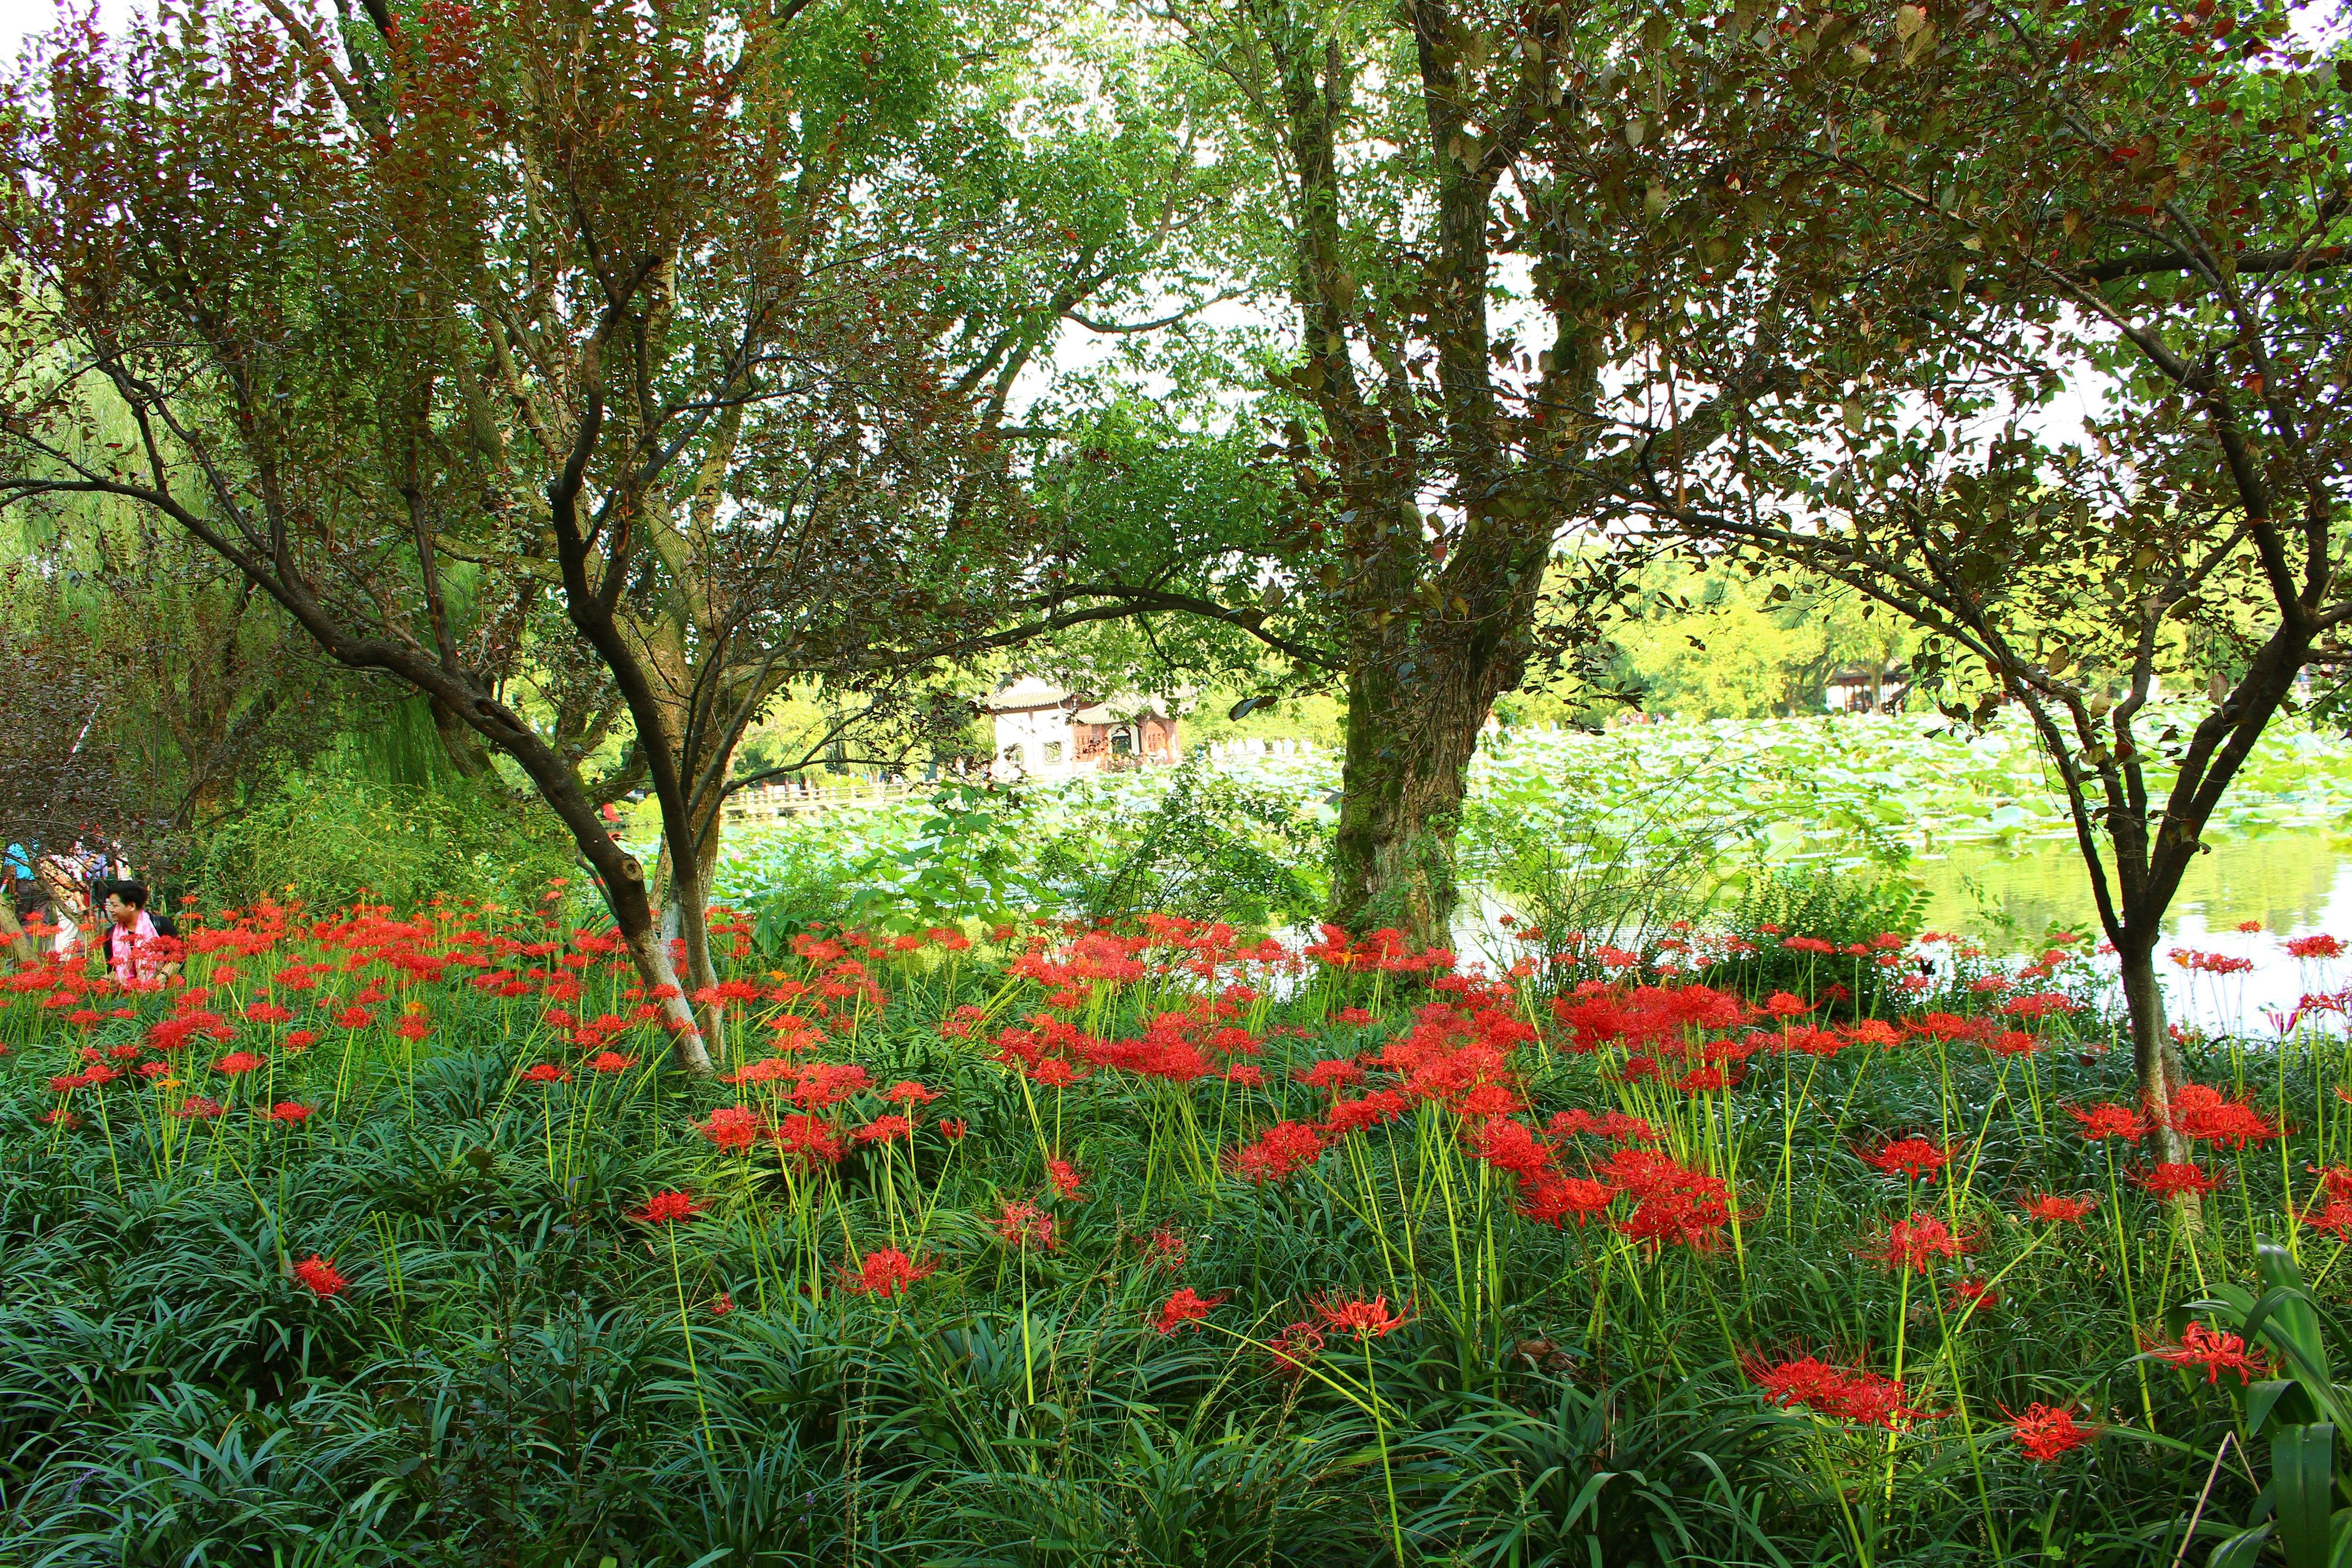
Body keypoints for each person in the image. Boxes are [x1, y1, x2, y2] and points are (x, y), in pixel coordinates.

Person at [96, 879, 170, 984]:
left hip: (162, 990)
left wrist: (162, 979)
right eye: (110, 906)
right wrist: (112, 978)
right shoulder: (111, 934)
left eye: (115, 905)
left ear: (132, 906)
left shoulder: (161, 924)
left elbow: (179, 960)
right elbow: (112, 968)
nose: (111, 910)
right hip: (128, 993)